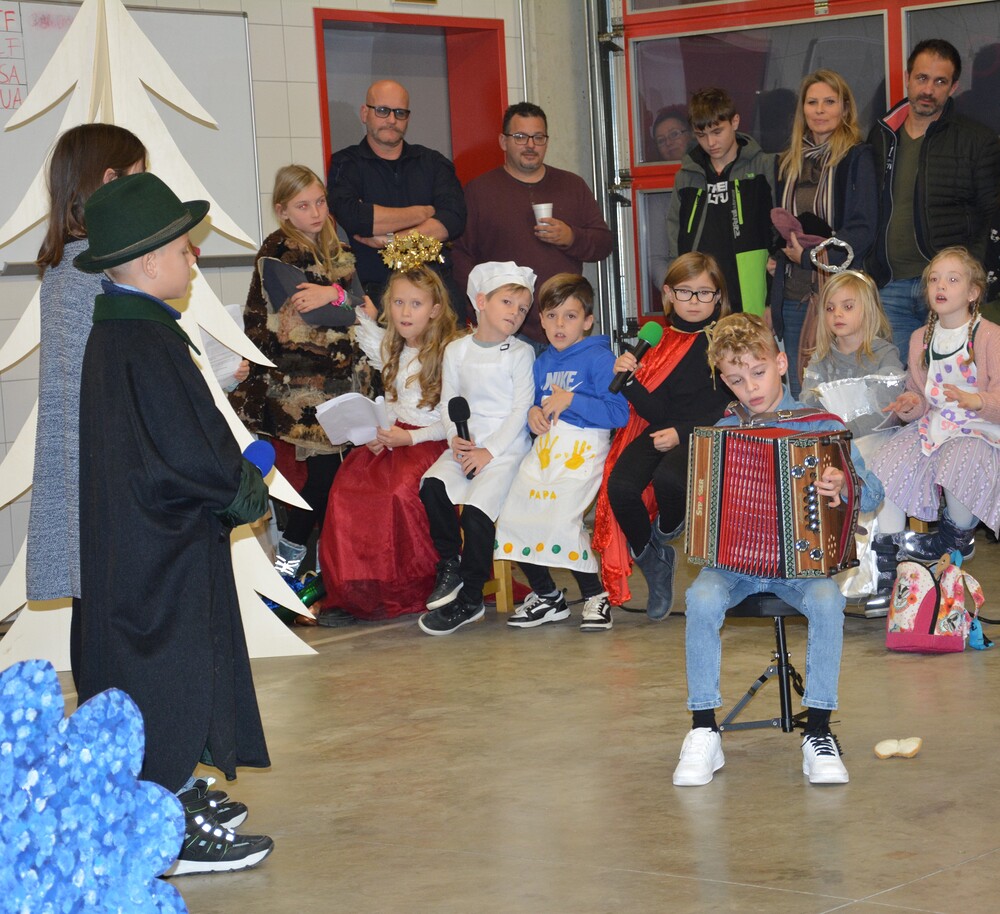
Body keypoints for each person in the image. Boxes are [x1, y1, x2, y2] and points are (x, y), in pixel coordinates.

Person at [74, 173, 274, 873]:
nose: (193, 255)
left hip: (142, 540)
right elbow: (191, 455)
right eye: (184, 246)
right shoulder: (145, 341)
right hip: (162, 551)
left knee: (158, 676)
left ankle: (175, 791)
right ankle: (165, 828)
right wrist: (246, 484)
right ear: (151, 258)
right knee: (167, 678)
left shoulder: (120, 332)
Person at [673, 313, 884, 788]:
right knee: (701, 597)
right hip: (735, 563)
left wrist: (842, 484)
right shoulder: (723, 430)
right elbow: (705, 505)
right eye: (735, 379)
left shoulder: (821, 425)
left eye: (758, 372)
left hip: (801, 565)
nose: (749, 388)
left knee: (828, 600)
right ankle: (704, 730)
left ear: (782, 363)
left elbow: (873, 495)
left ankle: (819, 731)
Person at [26, 124, 146, 683]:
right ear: (110, 180)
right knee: (109, 609)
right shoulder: (87, 272)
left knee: (96, 603)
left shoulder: (69, 263)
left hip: (88, 455)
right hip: (101, 460)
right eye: (138, 178)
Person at [229, 165, 378, 584]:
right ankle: (289, 566)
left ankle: (319, 570)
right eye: (302, 206)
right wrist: (344, 303)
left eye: (320, 202)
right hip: (299, 388)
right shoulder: (277, 253)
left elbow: (364, 303)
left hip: (345, 378)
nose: (315, 213)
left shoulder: (336, 243)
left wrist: (334, 294)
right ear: (282, 211)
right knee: (324, 476)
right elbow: (313, 314)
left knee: (335, 477)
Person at [319, 242, 462, 622]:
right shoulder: (390, 347)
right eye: (398, 303)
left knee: (396, 492)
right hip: (392, 437)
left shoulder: (451, 353)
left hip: (430, 442)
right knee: (347, 486)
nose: (405, 312)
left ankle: (411, 584)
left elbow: (451, 421)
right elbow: (359, 319)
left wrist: (409, 438)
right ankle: (359, 590)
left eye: (415, 304)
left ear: (435, 310)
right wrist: (377, 430)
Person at [593, 252, 732, 617]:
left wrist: (683, 434)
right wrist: (629, 381)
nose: (694, 301)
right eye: (684, 292)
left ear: (718, 296)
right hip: (661, 428)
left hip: (709, 433)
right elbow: (655, 412)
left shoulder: (726, 341)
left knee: (669, 477)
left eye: (704, 293)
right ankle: (654, 559)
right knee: (620, 487)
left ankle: (666, 529)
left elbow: (731, 406)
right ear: (669, 294)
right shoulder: (659, 340)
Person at [497, 274, 628, 632]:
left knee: (560, 521)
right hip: (544, 452)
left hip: (582, 450)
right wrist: (533, 415)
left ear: (587, 321)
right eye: (552, 316)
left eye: (570, 316)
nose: (559, 325)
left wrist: (572, 400)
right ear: (540, 319)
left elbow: (619, 414)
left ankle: (595, 595)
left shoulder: (599, 359)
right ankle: (547, 596)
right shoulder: (541, 363)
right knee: (513, 517)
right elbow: (534, 407)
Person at [418, 262, 537, 636]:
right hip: (467, 445)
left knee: (475, 513)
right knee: (432, 486)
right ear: (481, 301)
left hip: (506, 450)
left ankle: (470, 599)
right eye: (507, 303)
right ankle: (449, 564)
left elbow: (520, 410)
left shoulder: (520, 353)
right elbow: (449, 401)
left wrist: (490, 452)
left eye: (522, 309)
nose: (515, 313)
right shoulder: (456, 350)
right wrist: (454, 437)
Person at [867, 39, 1000, 362]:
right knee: (899, 384)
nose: (928, 90)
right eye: (922, 78)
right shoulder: (881, 135)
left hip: (951, 290)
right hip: (891, 287)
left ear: (953, 87)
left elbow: (992, 216)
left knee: (955, 382)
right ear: (907, 78)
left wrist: (969, 277)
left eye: (940, 81)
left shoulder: (978, 141)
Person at [870, 247, 1000, 567]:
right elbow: (920, 394)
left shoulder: (990, 336)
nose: (940, 286)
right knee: (887, 460)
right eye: (934, 280)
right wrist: (910, 403)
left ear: (973, 292)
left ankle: (957, 537)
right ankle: (889, 550)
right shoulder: (920, 338)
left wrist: (977, 400)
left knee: (959, 461)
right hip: (936, 425)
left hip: (981, 427)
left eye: (952, 280)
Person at [451, 102, 613, 348]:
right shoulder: (479, 191)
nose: (530, 145)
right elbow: (461, 256)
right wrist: (481, 308)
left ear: (546, 142)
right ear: (503, 142)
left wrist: (571, 237)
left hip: (562, 326)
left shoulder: (572, 186)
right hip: (505, 330)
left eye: (538, 137)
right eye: (520, 137)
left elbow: (604, 243)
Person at [799, 270, 905, 613]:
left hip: (876, 437)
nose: (837, 315)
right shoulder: (821, 360)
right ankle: (822, 569)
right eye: (830, 308)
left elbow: (887, 409)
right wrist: (832, 435)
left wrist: (846, 431)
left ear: (868, 309)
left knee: (878, 472)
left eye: (847, 306)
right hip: (834, 442)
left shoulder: (884, 354)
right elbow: (809, 406)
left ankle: (885, 570)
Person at [770, 69, 878, 397]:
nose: (819, 110)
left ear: (845, 109)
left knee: (844, 393)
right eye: (812, 102)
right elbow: (779, 223)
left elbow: (863, 228)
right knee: (802, 391)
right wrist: (779, 255)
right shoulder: (786, 163)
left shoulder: (857, 157)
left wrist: (810, 257)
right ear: (802, 109)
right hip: (794, 295)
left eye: (829, 102)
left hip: (839, 296)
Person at [326, 79, 466, 312]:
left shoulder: (433, 162)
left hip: (436, 297)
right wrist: (424, 212)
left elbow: (454, 219)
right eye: (382, 110)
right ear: (365, 113)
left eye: (400, 113)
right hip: (376, 298)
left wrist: (391, 241)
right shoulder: (346, 163)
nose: (392, 120)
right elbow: (355, 217)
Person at [666, 87, 774, 316]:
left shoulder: (764, 166)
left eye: (717, 131)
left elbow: (777, 233)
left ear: (735, 122)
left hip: (751, 293)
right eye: (701, 135)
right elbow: (674, 235)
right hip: (700, 295)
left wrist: (772, 300)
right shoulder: (686, 176)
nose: (711, 142)